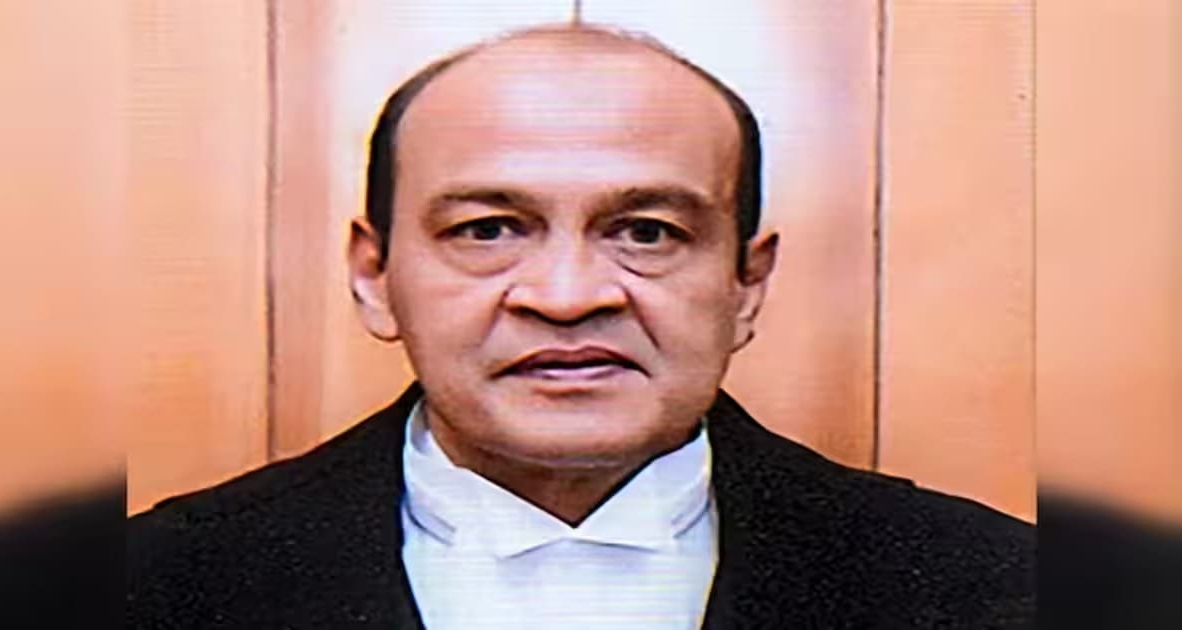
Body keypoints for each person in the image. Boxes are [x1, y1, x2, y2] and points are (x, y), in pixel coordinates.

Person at [127, 23, 1034, 629]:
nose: (566, 296)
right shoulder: (148, 585)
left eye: (648, 232)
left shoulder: (999, 586)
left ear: (746, 285)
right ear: (375, 277)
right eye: (488, 230)